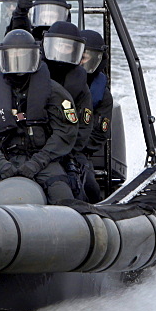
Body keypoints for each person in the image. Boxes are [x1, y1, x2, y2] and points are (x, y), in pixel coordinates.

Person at [0, 29, 78, 207]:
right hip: (2, 160)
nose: (19, 61)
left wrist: (36, 163)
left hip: (43, 161)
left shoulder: (54, 93)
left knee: (65, 201)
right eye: (14, 56)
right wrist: (0, 162)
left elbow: (64, 133)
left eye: (24, 55)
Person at [41, 20, 94, 199]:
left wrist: (63, 151)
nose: (62, 51)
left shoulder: (80, 84)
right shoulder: (35, 73)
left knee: (88, 189)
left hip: (67, 150)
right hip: (34, 148)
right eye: (59, 45)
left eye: (68, 47)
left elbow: (84, 128)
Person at [78, 29, 113, 203]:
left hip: (78, 151)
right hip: (45, 148)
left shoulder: (102, 95)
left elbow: (99, 134)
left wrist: (72, 145)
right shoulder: (55, 82)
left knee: (89, 187)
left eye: (86, 57)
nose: (81, 61)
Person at [7, 0, 72, 41]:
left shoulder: (70, 39)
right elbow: (15, 36)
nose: (47, 20)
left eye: (52, 16)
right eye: (44, 16)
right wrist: (20, 12)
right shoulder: (31, 38)